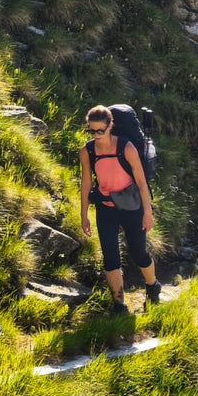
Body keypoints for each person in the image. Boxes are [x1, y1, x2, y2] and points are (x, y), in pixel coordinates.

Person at [79, 105, 160, 313]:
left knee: (138, 253)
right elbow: (86, 183)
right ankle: (119, 305)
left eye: (100, 130)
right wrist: (83, 214)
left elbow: (141, 183)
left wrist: (148, 212)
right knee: (110, 258)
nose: (96, 135)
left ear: (110, 126)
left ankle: (153, 286)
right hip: (105, 209)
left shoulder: (127, 148)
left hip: (133, 208)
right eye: (92, 131)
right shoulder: (87, 151)